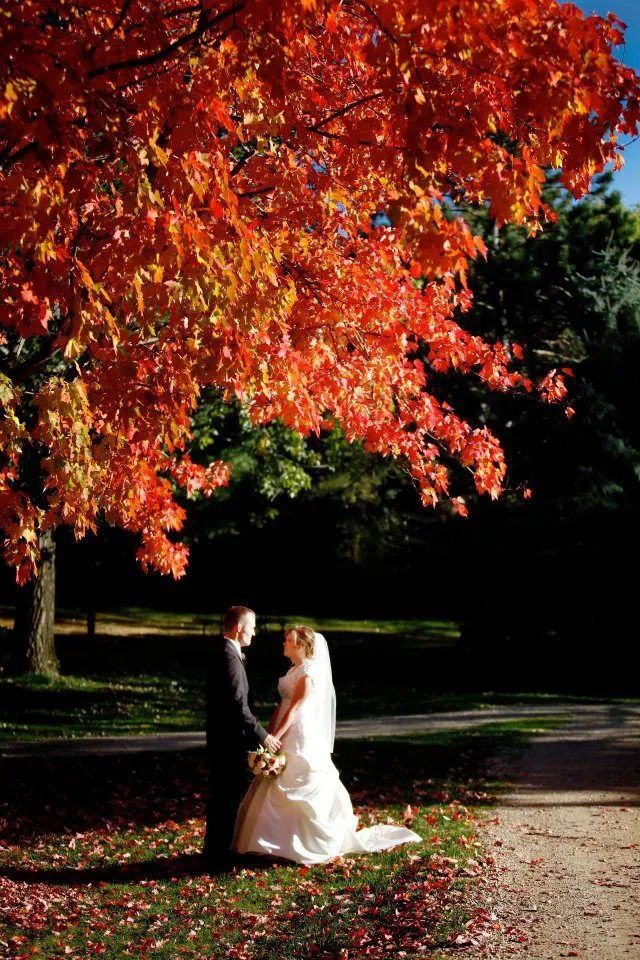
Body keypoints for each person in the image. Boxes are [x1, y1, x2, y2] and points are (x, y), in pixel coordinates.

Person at [233, 625, 421, 865]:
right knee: (275, 782)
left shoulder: (309, 671)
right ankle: (269, 843)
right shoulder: (294, 670)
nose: (284, 643)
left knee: (297, 779)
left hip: (300, 733)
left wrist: (276, 737)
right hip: (284, 727)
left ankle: (298, 845)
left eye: (288, 640)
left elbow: (295, 709)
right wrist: (269, 732)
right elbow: (283, 706)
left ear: (301, 645)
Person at [204, 605, 281, 867]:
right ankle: (218, 857)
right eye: (252, 627)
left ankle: (214, 852)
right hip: (228, 743)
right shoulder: (228, 658)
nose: (255, 633)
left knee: (221, 797)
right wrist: (263, 735)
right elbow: (239, 706)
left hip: (222, 740)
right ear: (239, 628)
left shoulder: (225, 653)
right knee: (226, 798)